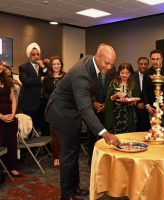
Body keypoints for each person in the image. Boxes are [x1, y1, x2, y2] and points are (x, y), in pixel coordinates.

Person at [45, 43, 120, 200]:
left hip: (73, 110)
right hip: (62, 112)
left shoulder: (91, 61)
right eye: (107, 63)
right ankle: (66, 194)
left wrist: (92, 101)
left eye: (112, 63)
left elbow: (86, 94)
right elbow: (85, 110)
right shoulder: (82, 73)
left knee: (74, 152)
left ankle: (75, 188)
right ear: (98, 57)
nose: (109, 67)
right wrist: (104, 133)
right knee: (68, 154)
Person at [86, 65, 116, 166]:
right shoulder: (90, 72)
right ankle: (92, 160)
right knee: (92, 136)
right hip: (91, 110)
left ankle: (105, 161)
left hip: (107, 110)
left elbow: (113, 90)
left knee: (106, 135)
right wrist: (93, 103)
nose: (107, 66)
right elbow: (85, 92)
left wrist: (106, 104)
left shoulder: (112, 71)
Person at [143, 50, 164, 131]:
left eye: (157, 59)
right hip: (153, 109)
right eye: (153, 59)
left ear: (162, 59)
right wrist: (148, 106)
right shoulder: (147, 73)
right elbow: (144, 91)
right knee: (155, 131)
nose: (155, 61)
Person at [19, 42, 48, 134]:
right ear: (29, 55)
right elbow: (26, 81)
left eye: (37, 54)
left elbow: (49, 79)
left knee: (45, 128)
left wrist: (43, 66)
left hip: (43, 103)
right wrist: (41, 79)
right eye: (33, 54)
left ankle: (45, 148)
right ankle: (30, 149)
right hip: (30, 104)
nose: (36, 56)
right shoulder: (23, 67)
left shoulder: (43, 67)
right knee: (29, 130)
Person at [42, 56, 66, 168]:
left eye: (58, 64)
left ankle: (64, 155)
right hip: (52, 108)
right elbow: (44, 94)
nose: (56, 66)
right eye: (54, 64)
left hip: (65, 108)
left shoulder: (66, 77)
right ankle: (56, 156)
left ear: (61, 65)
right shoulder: (47, 79)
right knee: (55, 134)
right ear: (51, 66)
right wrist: (54, 98)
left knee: (65, 134)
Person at [0, 60, 22, 178]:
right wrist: (2, 117)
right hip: (0, 118)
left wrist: (13, 114)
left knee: (12, 143)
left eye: (0, 64)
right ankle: (2, 169)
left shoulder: (8, 81)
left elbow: (13, 99)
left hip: (10, 115)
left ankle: (12, 167)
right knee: (1, 143)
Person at [105, 63, 139, 133]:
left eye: (127, 73)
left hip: (128, 115)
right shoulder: (113, 83)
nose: (124, 75)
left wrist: (130, 101)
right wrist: (116, 95)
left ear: (130, 74)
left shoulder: (133, 84)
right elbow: (108, 100)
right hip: (115, 115)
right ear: (119, 73)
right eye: (122, 73)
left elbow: (136, 100)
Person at [134, 57, 150, 131]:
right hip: (135, 108)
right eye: (141, 64)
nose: (143, 66)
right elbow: (130, 92)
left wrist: (146, 103)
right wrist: (137, 103)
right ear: (138, 65)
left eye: (145, 64)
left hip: (149, 108)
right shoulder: (132, 76)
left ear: (148, 65)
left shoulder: (152, 75)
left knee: (148, 129)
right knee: (137, 129)